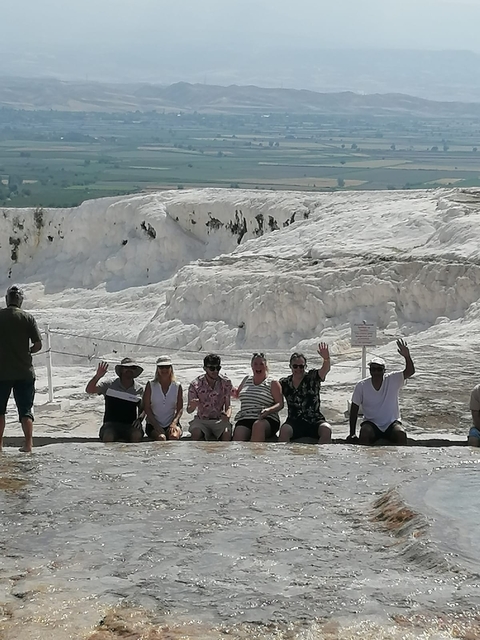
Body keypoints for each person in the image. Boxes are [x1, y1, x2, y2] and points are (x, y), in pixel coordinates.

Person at [347, 339, 415, 445]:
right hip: (371, 424)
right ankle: (365, 461)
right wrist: (352, 434)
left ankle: (400, 460)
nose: (376, 372)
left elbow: (410, 371)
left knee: (401, 433)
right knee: (364, 433)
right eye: (373, 369)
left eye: (379, 369)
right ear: (370, 370)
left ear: (384, 370)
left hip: (391, 423)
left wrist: (407, 356)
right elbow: (354, 409)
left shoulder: (392, 379)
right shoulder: (361, 385)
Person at [0, 285, 42, 453]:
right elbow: (38, 344)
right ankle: (28, 444)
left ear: (7, 300)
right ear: (20, 301)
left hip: (1, 372)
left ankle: (0, 445)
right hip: (25, 371)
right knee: (25, 410)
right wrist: (28, 351)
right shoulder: (27, 318)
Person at [278, 342, 332, 443]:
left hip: (314, 420)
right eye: (295, 366)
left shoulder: (312, 377)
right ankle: (284, 457)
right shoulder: (285, 383)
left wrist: (326, 359)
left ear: (305, 366)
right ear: (290, 366)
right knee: (284, 431)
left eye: (301, 366)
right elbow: (273, 392)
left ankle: (323, 457)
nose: (298, 369)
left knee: (326, 429)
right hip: (294, 421)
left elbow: (325, 369)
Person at [86, 356, 144, 443]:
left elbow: (144, 408)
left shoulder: (139, 389)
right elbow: (89, 390)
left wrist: (140, 419)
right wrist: (97, 376)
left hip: (130, 426)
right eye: (126, 367)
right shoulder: (109, 384)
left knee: (136, 435)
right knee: (108, 436)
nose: (129, 370)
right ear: (121, 370)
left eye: (132, 368)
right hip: (110, 425)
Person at [233, 352, 283, 442]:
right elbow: (237, 394)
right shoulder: (246, 379)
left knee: (258, 426)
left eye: (261, 364)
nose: (258, 367)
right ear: (252, 366)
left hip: (265, 418)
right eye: (255, 364)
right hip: (246, 417)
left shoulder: (273, 382)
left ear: (266, 366)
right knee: (239, 433)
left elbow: (280, 403)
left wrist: (268, 410)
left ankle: (256, 454)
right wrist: (232, 391)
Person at [187, 353, 233, 441]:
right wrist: (192, 406)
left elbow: (228, 406)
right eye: (212, 368)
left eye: (218, 368)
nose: (215, 371)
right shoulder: (196, 384)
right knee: (196, 433)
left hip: (219, 420)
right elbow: (189, 410)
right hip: (202, 420)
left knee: (227, 433)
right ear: (205, 369)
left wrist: (227, 415)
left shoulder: (226, 382)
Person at [143, 356, 183, 441]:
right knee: (161, 438)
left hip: (171, 423)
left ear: (171, 368)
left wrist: (174, 423)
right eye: (161, 367)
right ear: (157, 369)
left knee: (174, 437)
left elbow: (180, 408)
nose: (164, 370)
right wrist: (155, 425)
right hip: (153, 424)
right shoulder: (150, 385)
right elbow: (146, 407)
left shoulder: (177, 386)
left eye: (167, 367)